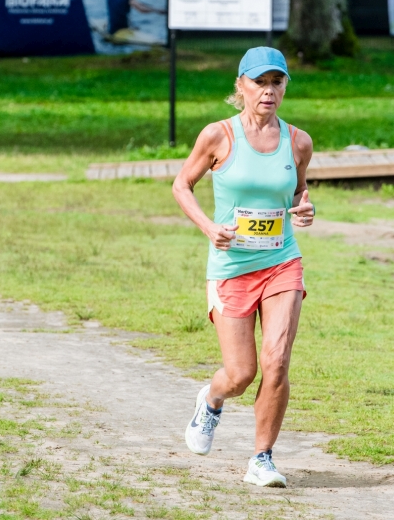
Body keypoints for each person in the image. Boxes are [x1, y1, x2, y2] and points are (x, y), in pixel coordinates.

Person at [172, 46, 315, 488]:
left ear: (285, 87)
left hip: (281, 261)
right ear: (241, 86)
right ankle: (212, 400)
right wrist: (209, 228)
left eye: (277, 82)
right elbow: (182, 185)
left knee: (277, 361)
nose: (268, 91)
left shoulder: (298, 141)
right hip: (232, 265)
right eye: (259, 82)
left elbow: (298, 193)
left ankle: (262, 458)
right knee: (240, 374)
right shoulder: (218, 136)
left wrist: (304, 208)